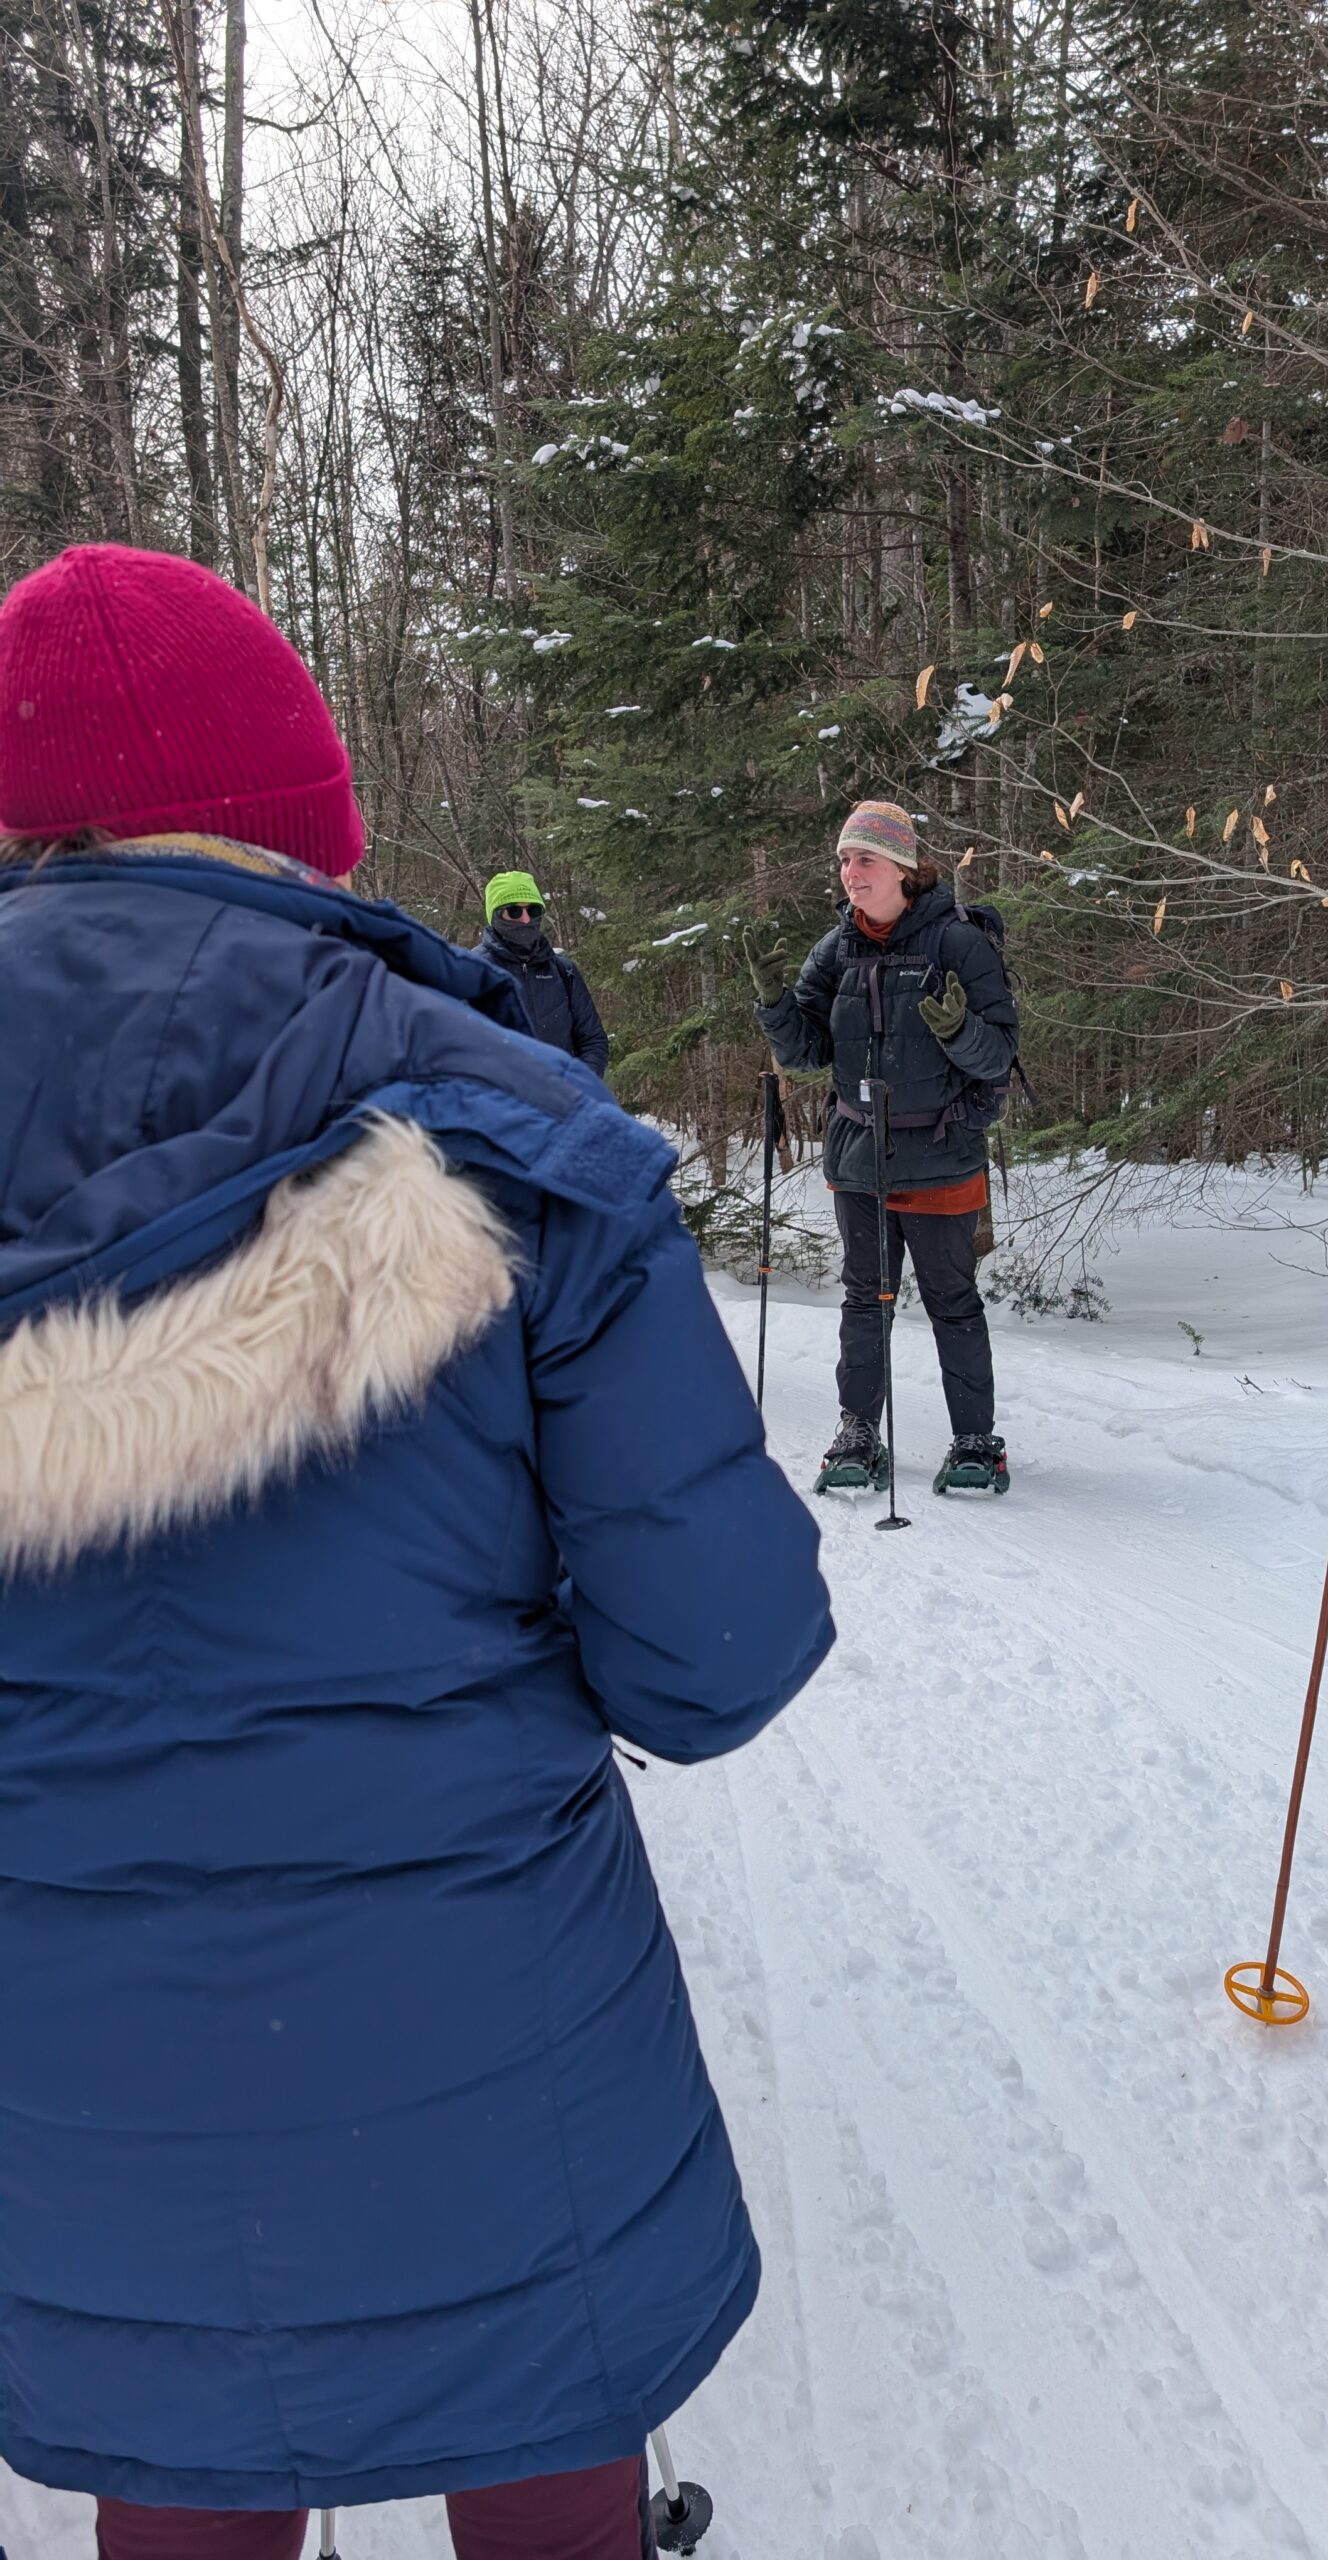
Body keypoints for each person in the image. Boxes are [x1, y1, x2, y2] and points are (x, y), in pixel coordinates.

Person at [0, 542, 834, 2558]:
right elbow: (715, 1656)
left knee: (177, 2454)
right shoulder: (501, 1118)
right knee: (539, 2441)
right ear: (302, 818)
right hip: (482, 2016)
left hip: (67, 2050)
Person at [746, 799, 1019, 1493]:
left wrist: (959, 1031)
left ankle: (975, 1440)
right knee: (865, 1299)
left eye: (864, 858)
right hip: (859, 1156)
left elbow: (998, 1057)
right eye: (844, 859)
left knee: (952, 1301)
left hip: (942, 1155)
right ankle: (859, 1432)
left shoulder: (958, 943)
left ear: (902, 867)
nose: (850, 872)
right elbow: (806, 1053)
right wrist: (775, 1004)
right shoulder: (836, 947)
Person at [475, 868, 611, 1076]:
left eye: (533, 910)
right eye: (514, 911)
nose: (526, 919)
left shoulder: (563, 971)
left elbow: (592, 1040)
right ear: (495, 915)